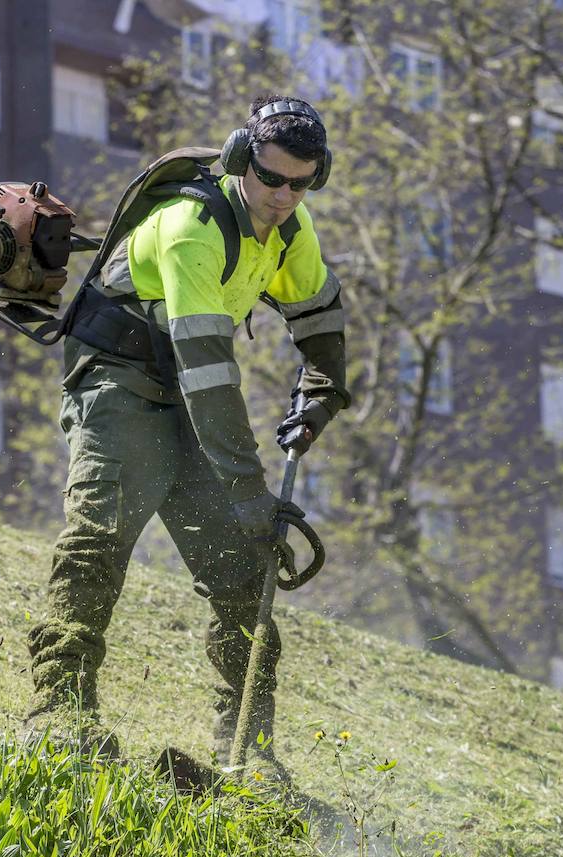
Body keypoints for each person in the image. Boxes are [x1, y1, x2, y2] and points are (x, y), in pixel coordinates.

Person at [24, 96, 351, 761]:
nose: (284, 195)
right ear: (240, 161)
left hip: (186, 386)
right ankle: (58, 715)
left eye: (301, 182)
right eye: (271, 178)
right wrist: (250, 491)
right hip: (120, 373)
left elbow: (318, 315)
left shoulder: (290, 227)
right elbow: (209, 374)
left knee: (242, 571)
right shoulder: (192, 228)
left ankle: (246, 754)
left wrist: (325, 387)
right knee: (99, 537)